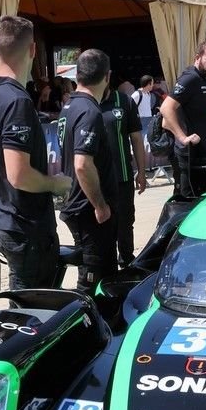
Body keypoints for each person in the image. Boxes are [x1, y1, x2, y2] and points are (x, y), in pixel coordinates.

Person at [0, 16, 71, 294]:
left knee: (24, 302)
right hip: (25, 225)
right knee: (32, 312)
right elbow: (19, 175)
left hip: (4, 217)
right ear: (32, 51)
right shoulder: (16, 101)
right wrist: (56, 183)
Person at [58, 49, 118, 293]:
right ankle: (86, 325)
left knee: (102, 271)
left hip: (79, 205)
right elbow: (82, 164)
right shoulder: (89, 111)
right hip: (88, 210)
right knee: (92, 277)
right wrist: (100, 205)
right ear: (107, 76)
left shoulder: (70, 106)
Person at [160, 40, 206, 197]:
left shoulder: (202, 79)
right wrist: (182, 137)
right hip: (190, 158)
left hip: (202, 156)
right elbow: (167, 108)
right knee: (188, 205)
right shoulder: (190, 78)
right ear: (198, 57)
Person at [99, 84, 147, 268]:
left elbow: (136, 139)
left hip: (122, 177)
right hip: (96, 180)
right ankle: (105, 267)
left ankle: (127, 264)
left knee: (125, 225)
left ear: (107, 77)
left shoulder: (124, 101)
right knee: (102, 227)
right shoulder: (84, 101)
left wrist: (141, 172)